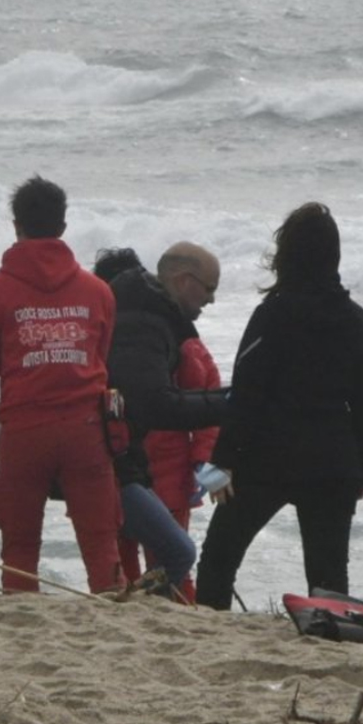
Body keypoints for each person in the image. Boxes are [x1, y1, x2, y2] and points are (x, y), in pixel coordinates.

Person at [196, 203, 363, 611]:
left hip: (266, 458)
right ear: (334, 256)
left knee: (219, 560)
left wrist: (222, 461)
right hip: (332, 462)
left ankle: (208, 634)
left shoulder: (273, 315)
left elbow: (247, 393)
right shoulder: (357, 321)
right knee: (329, 580)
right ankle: (328, 647)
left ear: (287, 256)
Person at [0, 177, 124, 594]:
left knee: (19, 543)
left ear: (17, 225)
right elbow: (100, 358)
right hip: (86, 428)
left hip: (24, 432)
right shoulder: (98, 291)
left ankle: (22, 614)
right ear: (63, 226)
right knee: (101, 539)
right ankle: (109, 608)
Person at [93, 248, 222, 600]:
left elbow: (206, 398)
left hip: (165, 471)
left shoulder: (167, 338)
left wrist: (207, 471)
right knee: (151, 561)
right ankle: (147, 611)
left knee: (160, 561)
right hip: (141, 467)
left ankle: (159, 610)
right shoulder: (147, 332)